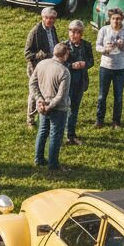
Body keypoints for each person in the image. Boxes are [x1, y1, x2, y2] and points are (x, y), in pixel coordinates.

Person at [31, 42, 71, 173]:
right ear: (65, 55)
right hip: (58, 109)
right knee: (55, 135)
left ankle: (39, 159)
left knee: (42, 132)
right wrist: (50, 106)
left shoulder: (41, 64)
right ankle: (53, 165)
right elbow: (61, 96)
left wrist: (39, 100)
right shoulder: (64, 71)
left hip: (42, 106)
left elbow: (32, 83)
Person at [96, 7, 124, 128]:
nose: (116, 21)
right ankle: (99, 120)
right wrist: (105, 49)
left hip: (120, 68)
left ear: (122, 20)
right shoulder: (104, 30)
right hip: (105, 67)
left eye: (118, 19)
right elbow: (97, 46)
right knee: (102, 95)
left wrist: (123, 46)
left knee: (118, 96)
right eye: (113, 18)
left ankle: (116, 121)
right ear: (110, 19)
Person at [24, 8, 59, 129]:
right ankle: (30, 119)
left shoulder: (52, 29)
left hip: (49, 66)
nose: (49, 20)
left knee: (48, 91)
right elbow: (27, 54)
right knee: (35, 93)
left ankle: (44, 114)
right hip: (36, 68)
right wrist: (40, 55)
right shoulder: (35, 32)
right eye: (47, 18)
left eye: (52, 18)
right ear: (42, 17)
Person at [65, 20, 94, 145]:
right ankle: (64, 134)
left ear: (81, 34)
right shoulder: (63, 46)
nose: (73, 34)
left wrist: (85, 64)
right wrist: (71, 65)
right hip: (67, 81)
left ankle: (71, 134)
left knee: (75, 108)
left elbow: (91, 61)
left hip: (81, 81)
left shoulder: (87, 45)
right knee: (66, 108)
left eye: (77, 32)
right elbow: (58, 63)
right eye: (71, 31)